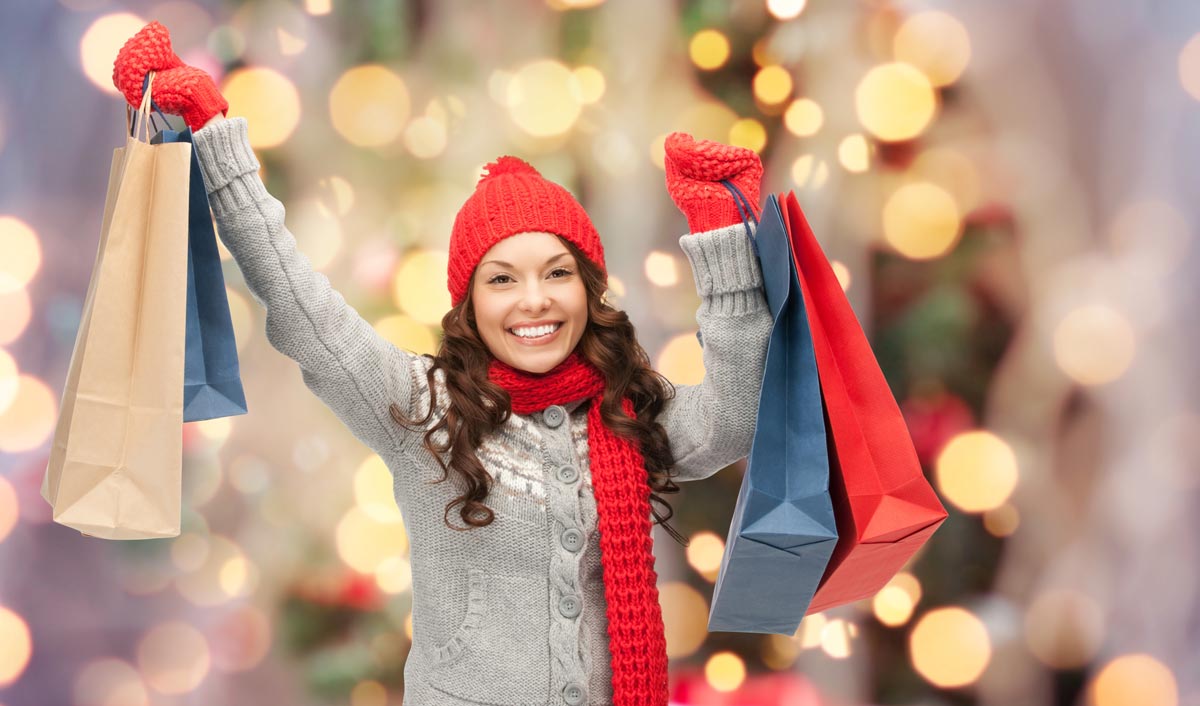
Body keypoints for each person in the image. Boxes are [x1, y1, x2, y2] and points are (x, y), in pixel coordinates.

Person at [113, 21, 772, 706]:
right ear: (469, 303)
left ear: (588, 288)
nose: (534, 301)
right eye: (502, 280)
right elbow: (298, 303)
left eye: (557, 273)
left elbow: (733, 417)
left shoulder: (626, 409)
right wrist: (217, 141)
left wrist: (723, 239)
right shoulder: (422, 407)